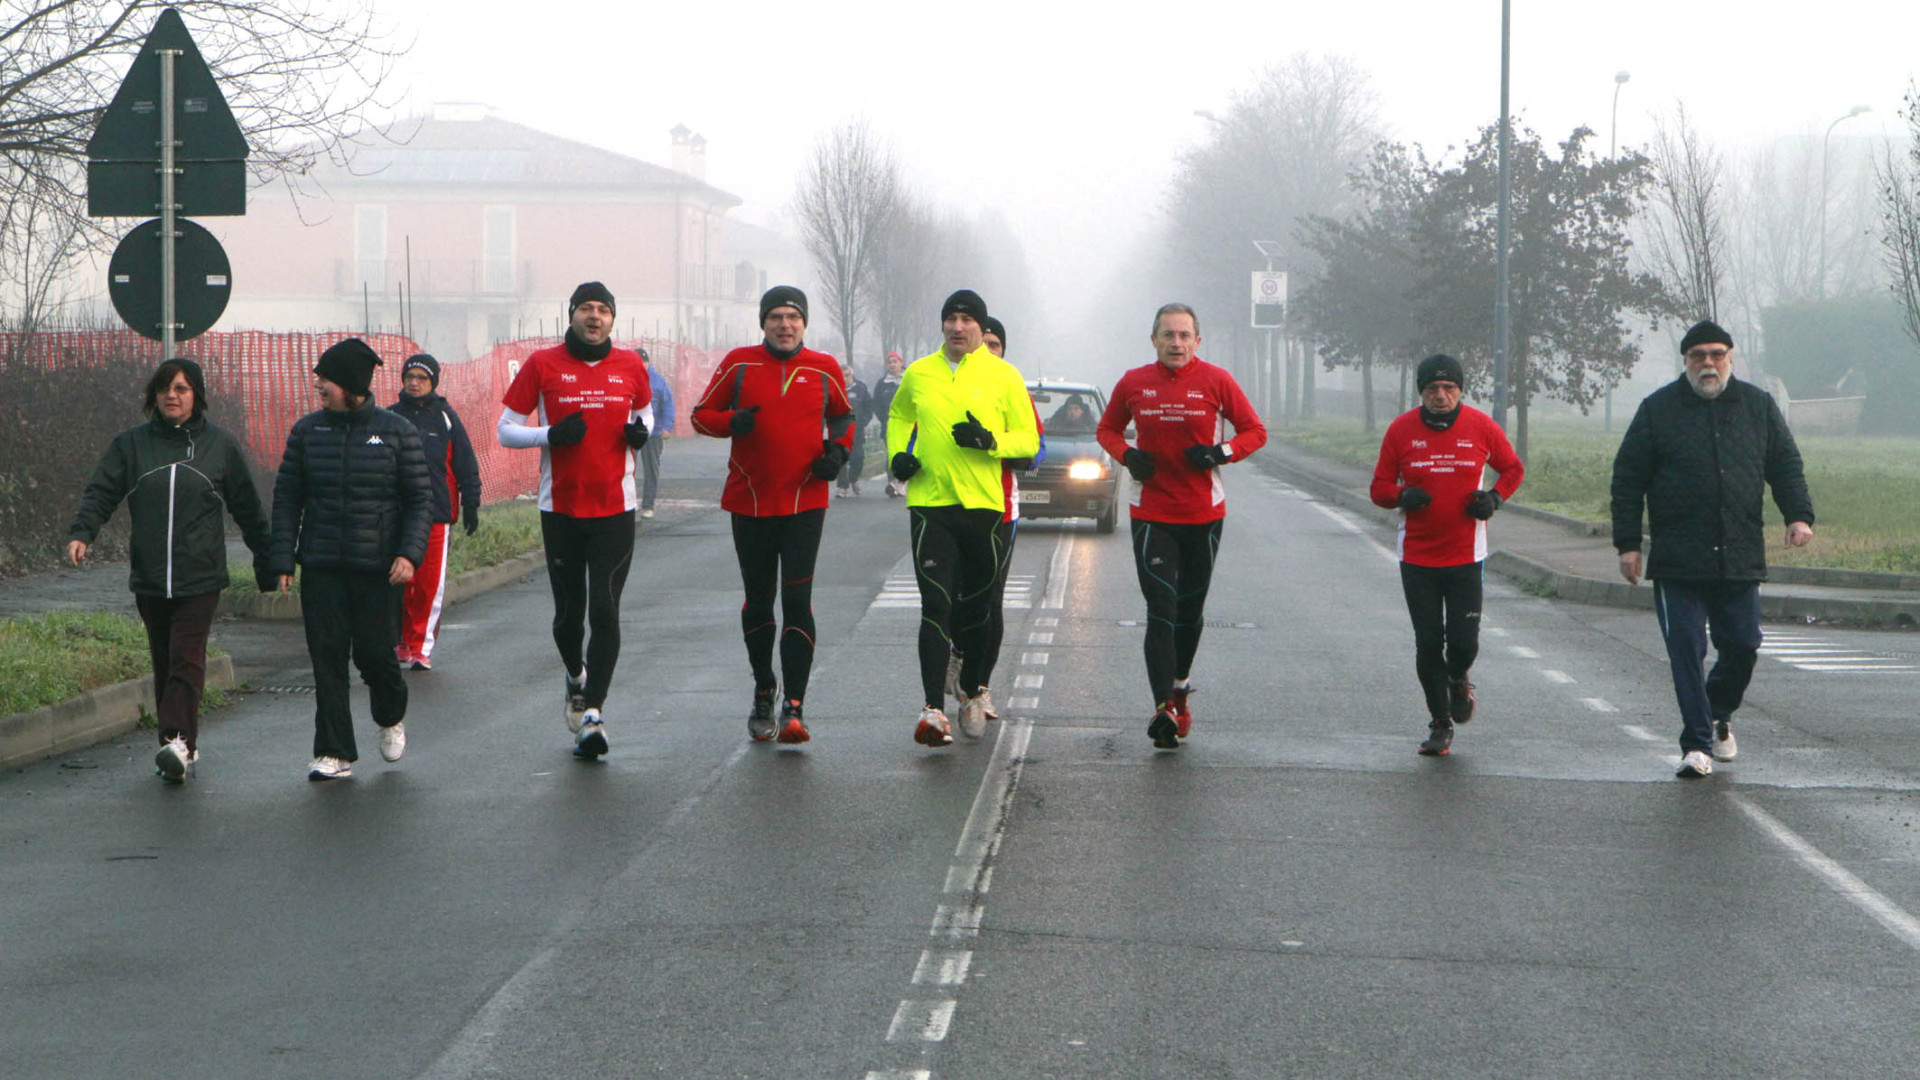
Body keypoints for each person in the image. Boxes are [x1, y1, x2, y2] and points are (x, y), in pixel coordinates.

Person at [1610, 319, 1814, 779]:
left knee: (1743, 645)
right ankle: (1697, 743)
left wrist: (1798, 516)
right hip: (1679, 558)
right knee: (1686, 647)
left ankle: (1718, 711)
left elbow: (1785, 465)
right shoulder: (1658, 409)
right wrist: (1628, 544)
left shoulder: (1757, 407)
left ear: (1730, 359)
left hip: (1739, 553)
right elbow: (1627, 480)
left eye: (1717, 354)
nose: (1708, 363)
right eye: (1698, 355)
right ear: (1685, 361)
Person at [66, 358, 273, 783]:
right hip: (151, 573)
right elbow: (101, 490)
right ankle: (182, 747)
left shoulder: (220, 446)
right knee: (164, 658)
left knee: (186, 655)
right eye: (164, 388)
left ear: (197, 395)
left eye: (181, 388)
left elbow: (248, 509)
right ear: (153, 396)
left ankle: (175, 738)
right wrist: (83, 533)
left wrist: (270, 560)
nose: (172, 396)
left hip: (201, 574)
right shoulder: (132, 445)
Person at [1096, 303, 1267, 749]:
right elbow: (1108, 429)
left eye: (1184, 335)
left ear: (1197, 341)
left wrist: (1220, 453)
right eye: (1168, 335)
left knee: (1190, 612)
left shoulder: (1217, 381)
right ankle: (1162, 708)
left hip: (1203, 514)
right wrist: (1128, 455)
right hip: (1152, 512)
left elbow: (1254, 431)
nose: (1176, 343)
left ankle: (1180, 688)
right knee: (1160, 609)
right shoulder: (1134, 382)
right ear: (1153, 339)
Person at [691, 286, 855, 743]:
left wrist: (837, 454)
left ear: (805, 324)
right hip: (751, 502)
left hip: (805, 501)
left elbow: (844, 417)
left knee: (798, 602)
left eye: (793, 318)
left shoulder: (823, 367)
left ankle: (795, 706)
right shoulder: (740, 363)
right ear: (763, 322)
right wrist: (732, 423)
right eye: (776, 317)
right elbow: (700, 416)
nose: (785, 325)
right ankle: (765, 685)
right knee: (760, 602)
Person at [498, 282, 652, 760]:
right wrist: (550, 434)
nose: (594, 316)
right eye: (586, 308)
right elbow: (506, 429)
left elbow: (646, 413)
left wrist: (639, 433)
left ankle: (593, 715)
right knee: (569, 615)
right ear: (571, 315)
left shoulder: (630, 365)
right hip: (560, 509)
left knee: (605, 610)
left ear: (612, 319)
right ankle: (575, 676)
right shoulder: (542, 364)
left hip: (615, 509)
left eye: (603, 309)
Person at [270, 338, 433, 781]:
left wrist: (408, 553)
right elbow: (287, 497)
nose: (318, 385)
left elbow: (421, 499)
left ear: (351, 385)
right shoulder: (308, 432)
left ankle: (390, 715)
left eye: (326, 378)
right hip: (321, 565)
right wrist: (282, 556)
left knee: (376, 656)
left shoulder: (397, 431)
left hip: (377, 569)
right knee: (327, 658)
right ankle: (334, 751)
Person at [887, 290, 1040, 747]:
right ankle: (932, 708)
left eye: (967, 320)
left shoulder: (1004, 376)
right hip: (931, 505)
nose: (958, 327)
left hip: (984, 508)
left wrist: (990, 441)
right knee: (936, 606)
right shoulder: (919, 373)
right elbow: (899, 415)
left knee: (976, 608)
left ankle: (974, 690)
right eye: (951, 319)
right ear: (942, 326)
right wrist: (899, 455)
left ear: (980, 326)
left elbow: (1028, 441)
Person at [1368, 354, 1524, 757]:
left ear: (1460, 391)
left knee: (1463, 642)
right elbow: (1379, 487)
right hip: (1417, 555)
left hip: (1466, 555)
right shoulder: (1401, 430)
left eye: (1449, 389)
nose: (1441, 396)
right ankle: (1440, 723)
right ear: (1421, 392)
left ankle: (1458, 676)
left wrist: (1493, 498)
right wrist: (1402, 495)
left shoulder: (1481, 426)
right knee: (1427, 641)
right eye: (1433, 389)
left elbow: (1512, 469)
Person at [945, 314, 1043, 722]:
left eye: (994, 344)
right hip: (948, 506)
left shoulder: (1010, 385)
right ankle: (957, 652)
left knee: (990, 600)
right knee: (950, 597)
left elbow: (1035, 450)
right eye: (979, 341)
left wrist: (997, 446)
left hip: (1000, 508)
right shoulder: (945, 386)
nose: (985, 350)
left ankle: (979, 687)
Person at [391, 353, 482, 671]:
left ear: (433, 383)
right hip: (395, 514)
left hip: (436, 513)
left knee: (428, 584)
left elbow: (465, 461)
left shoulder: (445, 417)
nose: (414, 383)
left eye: (421, 378)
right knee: (398, 583)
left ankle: (420, 646)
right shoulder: (389, 417)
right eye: (409, 377)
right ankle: (400, 641)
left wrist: (471, 501)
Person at [640, 348, 675, 519]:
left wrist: (667, 426)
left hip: (652, 434)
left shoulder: (658, 382)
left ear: (648, 363)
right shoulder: (626, 378)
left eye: (643, 363)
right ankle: (625, 502)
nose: (641, 366)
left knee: (651, 470)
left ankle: (648, 505)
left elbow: (668, 404)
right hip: (629, 433)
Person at [837, 360, 873, 498]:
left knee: (858, 458)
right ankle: (842, 487)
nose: (845, 379)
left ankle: (854, 478)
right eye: (842, 376)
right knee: (840, 459)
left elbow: (869, 407)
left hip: (856, 431)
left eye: (847, 375)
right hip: (840, 430)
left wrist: (863, 422)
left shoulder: (861, 388)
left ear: (852, 375)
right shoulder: (835, 388)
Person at [873, 351, 906, 497]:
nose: (892, 365)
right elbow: (876, 403)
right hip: (889, 424)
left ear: (901, 363)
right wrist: (884, 419)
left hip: (908, 424)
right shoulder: (882, 383)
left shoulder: (908, 379)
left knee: (906, 452)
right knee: (891, 452)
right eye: (890, 362)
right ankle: (891, 481)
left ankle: (902, 482)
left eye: (895, 361)